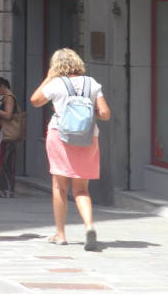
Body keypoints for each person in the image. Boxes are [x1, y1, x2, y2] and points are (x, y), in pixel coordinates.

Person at [30, 48, 111, 251]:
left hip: (60, 136)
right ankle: (89, 226)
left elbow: (35, 101)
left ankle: (60, 234)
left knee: (59, 186)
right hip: (88, 137)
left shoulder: (57, 84)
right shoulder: (91, 83)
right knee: (82, 189)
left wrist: (48, 77)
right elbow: (105, 113)